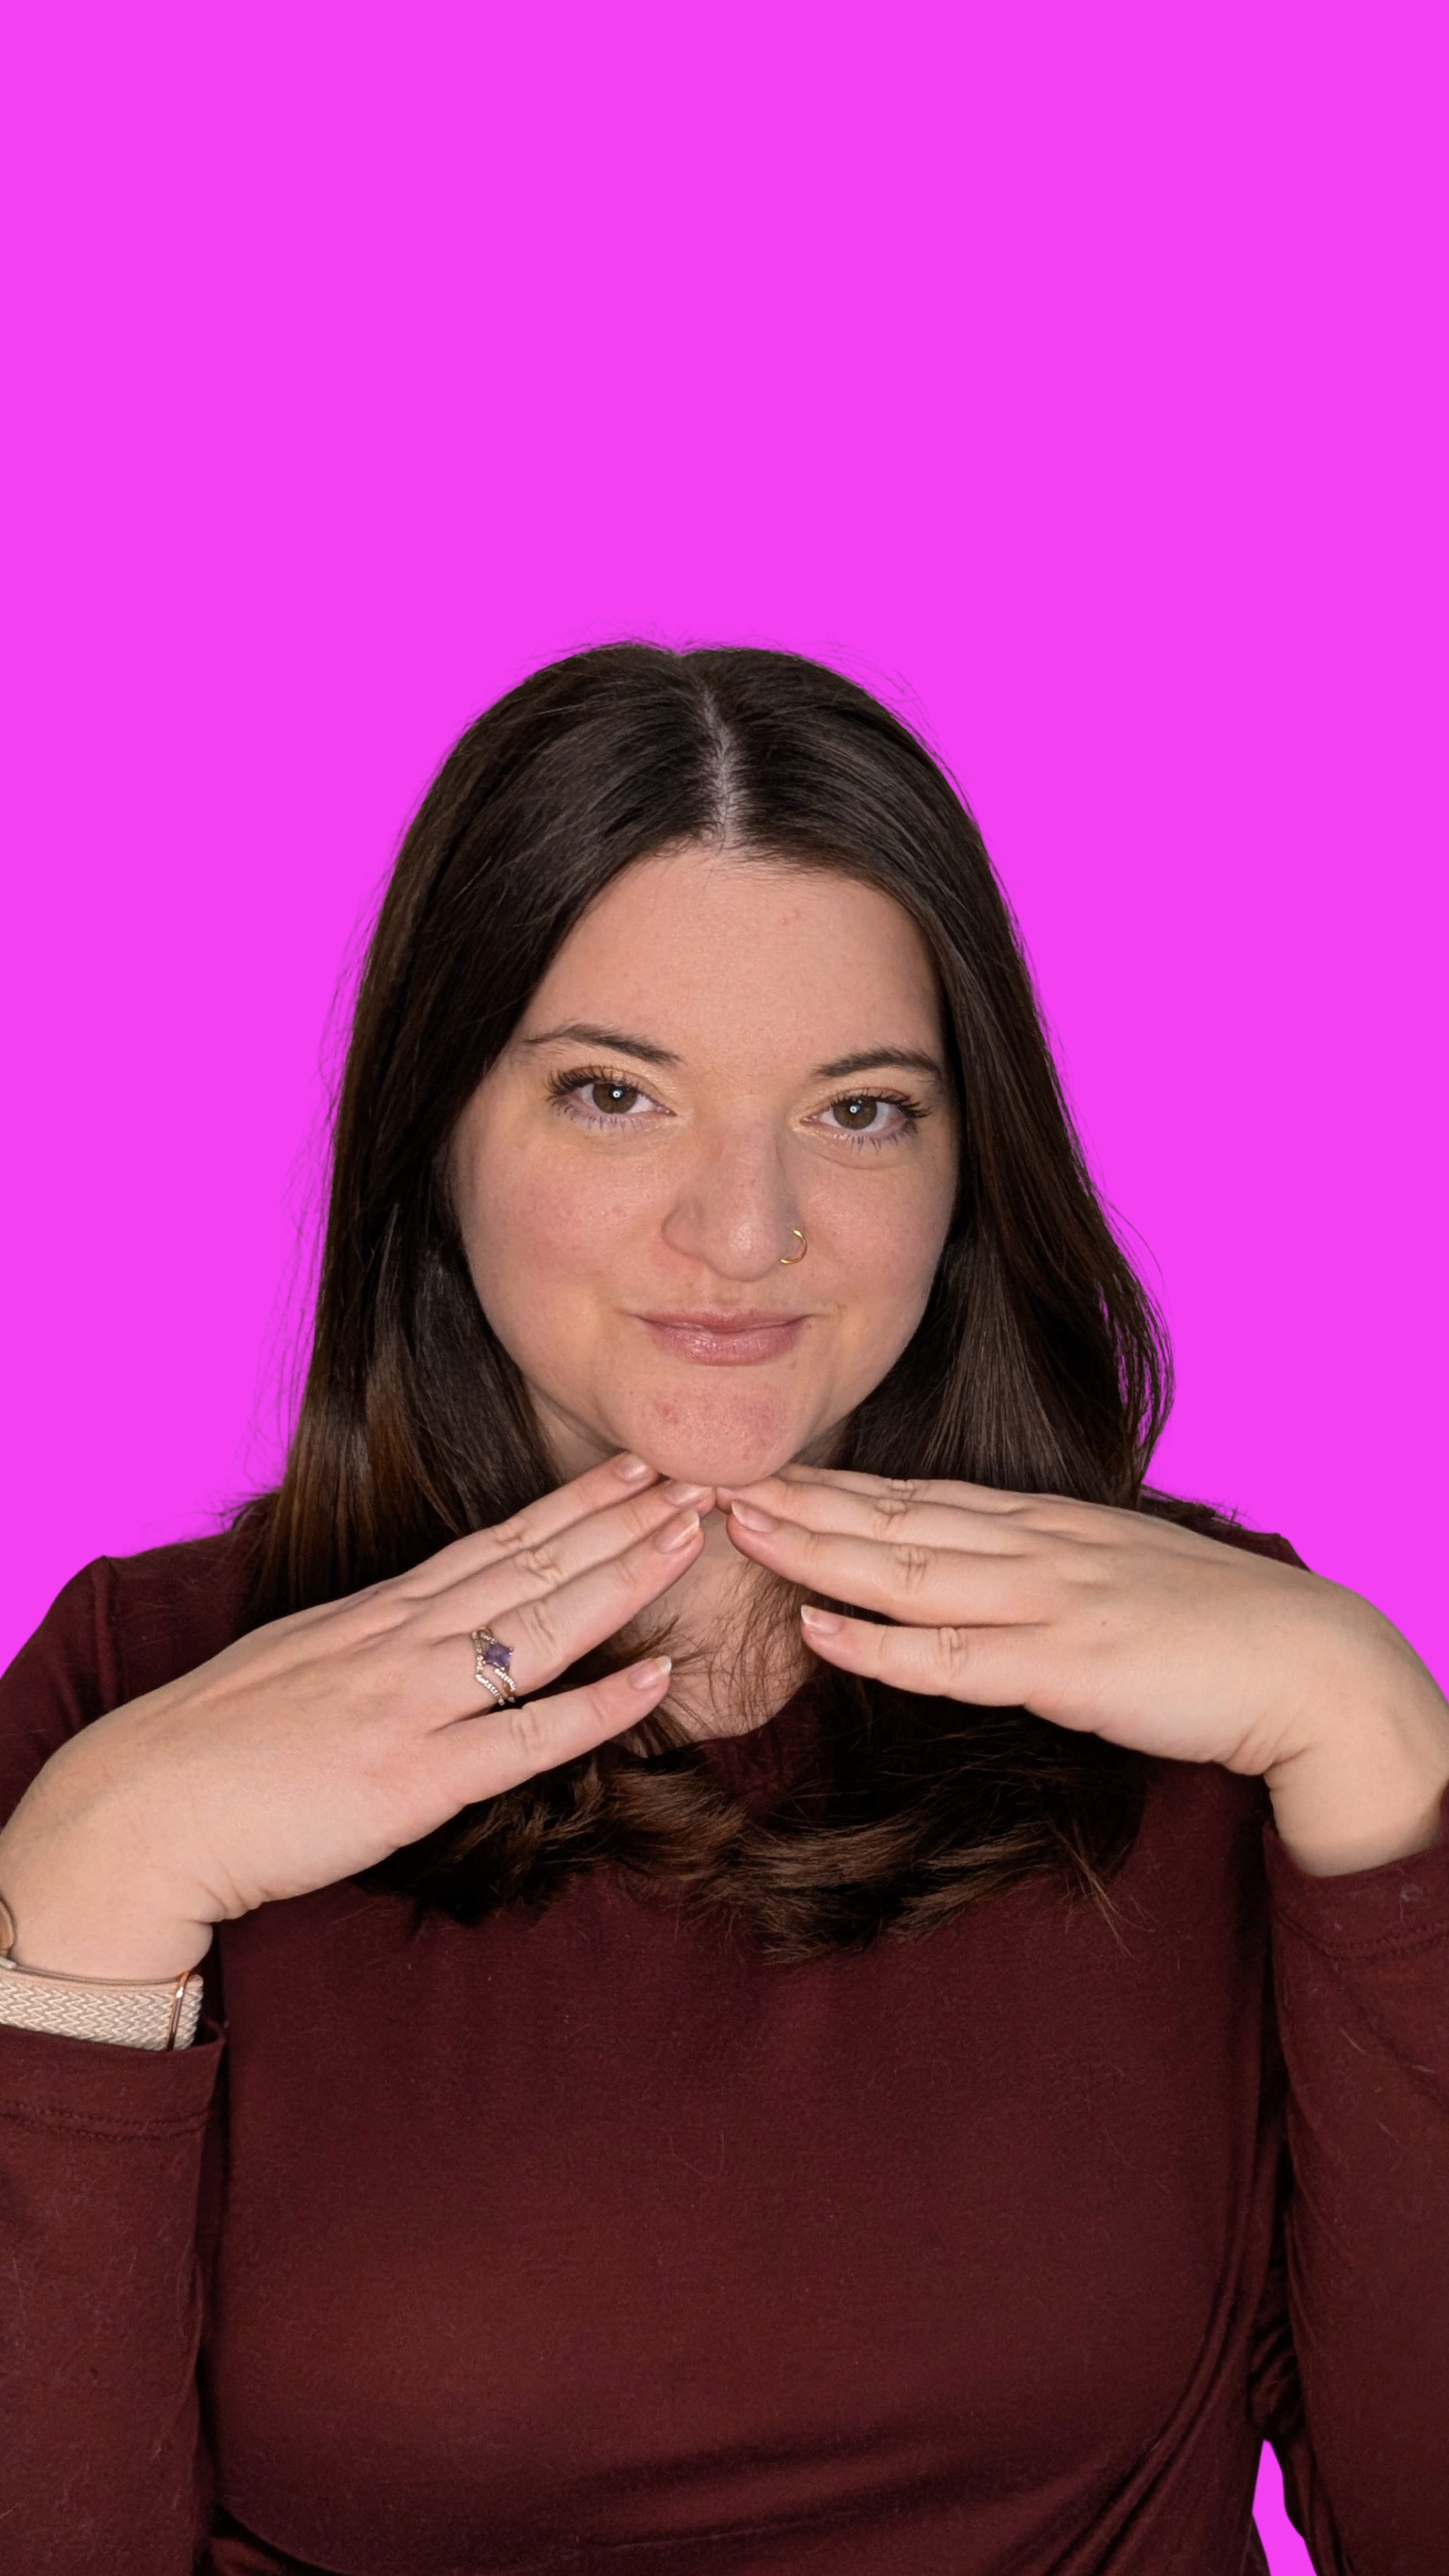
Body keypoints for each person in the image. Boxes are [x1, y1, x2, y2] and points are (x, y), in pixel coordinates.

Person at [0, 644, 1444, 2576]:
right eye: (615, 1095)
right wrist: (96, 1894)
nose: (745, 1233)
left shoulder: (1223, 1695)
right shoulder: (136, 1693)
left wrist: (1378, 1748)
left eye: (859, 1112)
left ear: (966, 1165)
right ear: (435, 1133)